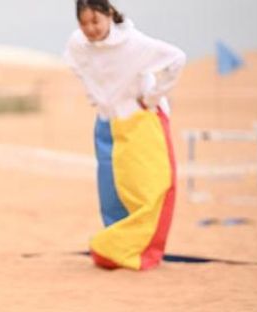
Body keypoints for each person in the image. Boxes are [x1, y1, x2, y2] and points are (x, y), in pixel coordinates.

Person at [64, 0, 186, 270]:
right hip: (106, 122)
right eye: (83, 23)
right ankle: (116, 249)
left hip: (139, 121)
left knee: (145, 190)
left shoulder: (134, 43)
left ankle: (141, 250)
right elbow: (74, 63)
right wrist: (93, 95)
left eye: (95, 21)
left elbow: (177, 58)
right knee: (110, 190)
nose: (89, 29)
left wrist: (153, 96)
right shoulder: (77, 43)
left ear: (109, 14)